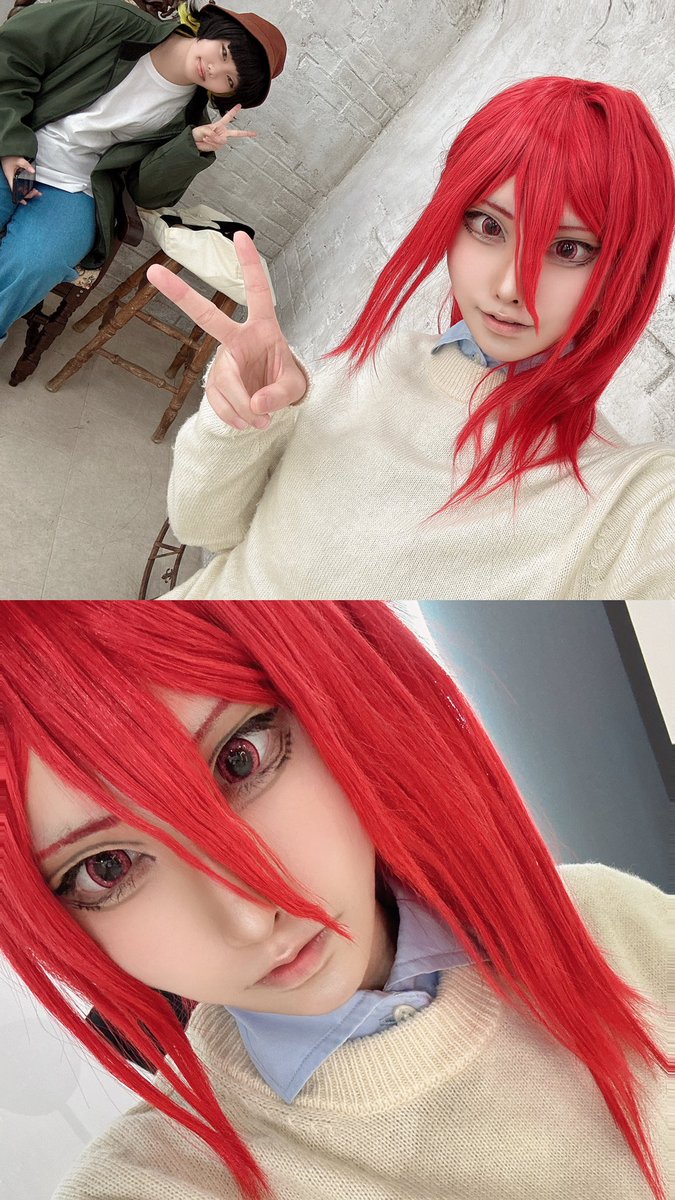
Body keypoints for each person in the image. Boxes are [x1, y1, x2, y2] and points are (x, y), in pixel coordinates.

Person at [0, 600, 667, 1200]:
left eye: (240, 759)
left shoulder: (608, 919)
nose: (250, 917)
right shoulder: (153, 1182)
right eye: (106, 869)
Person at [147, 76, 675, 601]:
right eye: (490, 227)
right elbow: (202, 527)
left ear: (621, 272)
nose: (510, 287)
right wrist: (241, 420)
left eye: (569, 249)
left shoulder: (622, 504)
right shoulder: (381, 358)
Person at [0, 0, 286, 348]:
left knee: (35, 264)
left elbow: (144, 194)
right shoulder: (111, 20)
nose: (213, 69)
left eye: (228, 79)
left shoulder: (189, 122)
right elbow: (14, 52)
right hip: (18, 140)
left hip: (77, 190)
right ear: (214, 30)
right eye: (224, 53)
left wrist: (188, 148)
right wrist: (12, 144)